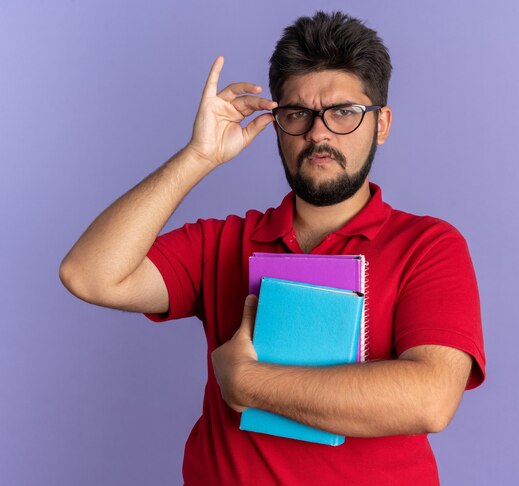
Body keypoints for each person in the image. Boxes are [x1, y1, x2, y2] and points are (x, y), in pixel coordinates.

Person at [60, 11, 486, 485]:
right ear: (277, 122)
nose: (318, 133)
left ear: (381, 123)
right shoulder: (222, 242)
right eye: (297, 113)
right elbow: (90, 274)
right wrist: (197, 157)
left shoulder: (428, 246)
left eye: (343, 112)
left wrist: (247, 383)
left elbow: (429, 400)